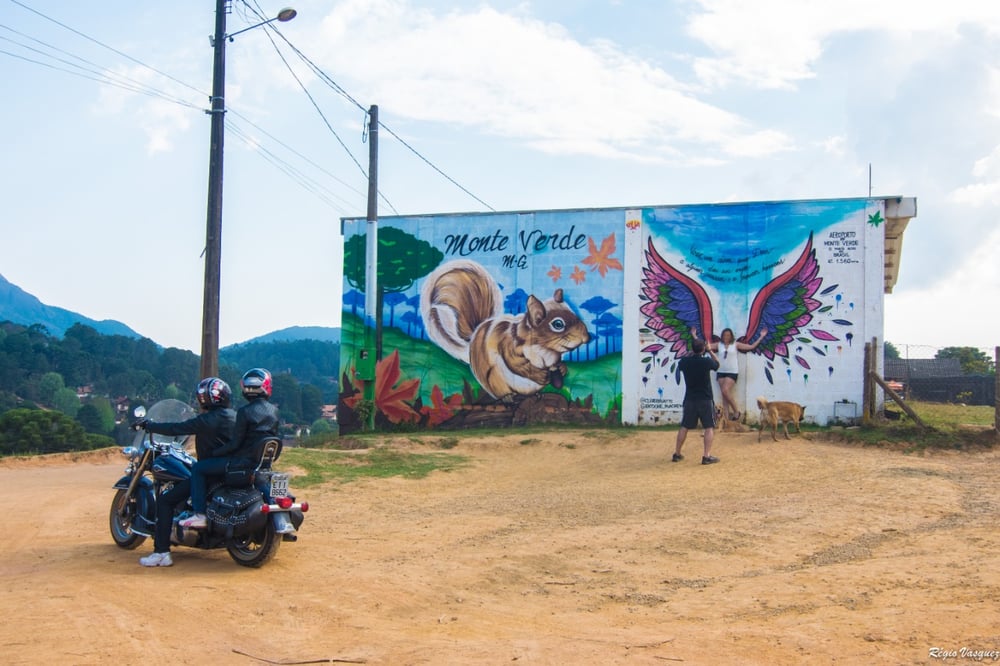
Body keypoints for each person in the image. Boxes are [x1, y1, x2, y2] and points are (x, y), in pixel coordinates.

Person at [137, 377, 236, 567]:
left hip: (210, 474)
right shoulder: (235, 416)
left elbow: (176, 428)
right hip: (229, 471)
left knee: (165, 501)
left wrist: (149, 426)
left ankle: (161, 553)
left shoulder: (206, 420)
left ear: (204, 399)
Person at [672, 338, 721, 465]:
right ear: (703, 349)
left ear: (692, 348)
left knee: (684, 426)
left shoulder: (685, 362)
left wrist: (692, 350)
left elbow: (683, 362)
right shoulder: (706, 362)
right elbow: (717, 364)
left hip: (690, 399)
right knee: (709, 427)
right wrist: (710, 351)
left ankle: (677, 453)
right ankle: (706, 456)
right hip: (705, 398)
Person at [707, 327, 768, 421]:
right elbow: (705, 346)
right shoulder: (719, 345)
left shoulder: (735, 344)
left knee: (725, 390)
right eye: (724, 335)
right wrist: (695, 336)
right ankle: (726, 420)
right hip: (720, 371)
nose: (726, 337)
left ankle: (736, 411)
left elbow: (751, 347)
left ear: (731, 336)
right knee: (724, 397)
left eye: (728, 335)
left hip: (732, 371)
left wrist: (761, 337)